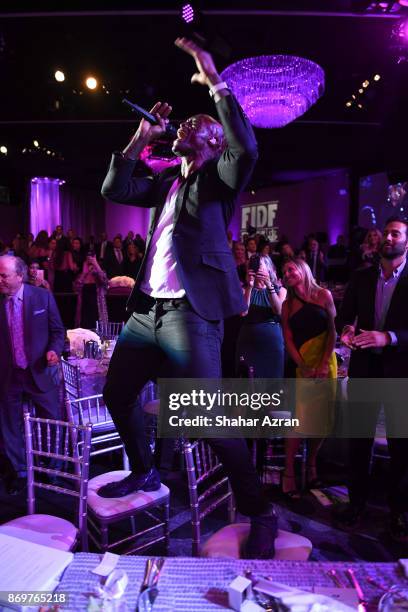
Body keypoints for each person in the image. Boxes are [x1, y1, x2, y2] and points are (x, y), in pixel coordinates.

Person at [99, 37, 277, 558]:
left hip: (188, 316)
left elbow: (248, 149)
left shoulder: (221, 179)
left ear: (211, 142)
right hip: (145, 313)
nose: (180, 127)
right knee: (117, 396)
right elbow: (115, 189)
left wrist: (214, 77)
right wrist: (139, 137)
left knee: (211, 424)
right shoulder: (167, 184)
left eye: (190, 126)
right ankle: (145, 469)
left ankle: (259, 510)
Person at [334, 217, 408, 542]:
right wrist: (347, 332)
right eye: (387, 233)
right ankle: (356, 505)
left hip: (399, 373)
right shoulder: (361, 277)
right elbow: (344, 319)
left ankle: (399, 515)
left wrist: (388, 337)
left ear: (407, 241)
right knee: (359, 443)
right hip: (364, 369)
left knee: (401, 448)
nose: (389, 238)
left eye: (397, 233)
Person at [0, 255, 64, 494]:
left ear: (20, 276)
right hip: (9, 375)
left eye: (4, 275)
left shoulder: (42, 297)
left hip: (39, 371)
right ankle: (19, 472)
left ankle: (53, 469)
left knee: (52, 421)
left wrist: (53, 350)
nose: (0, 280)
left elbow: (58, 331)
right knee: (9, 426)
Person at [281, 258, 337, 498]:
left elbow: (334, 330)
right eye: (284, 272)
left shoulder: (324, 295)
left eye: (290, 269)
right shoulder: (287, 305)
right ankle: (289, 472)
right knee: (299, 420)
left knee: (323, 419)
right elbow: (288, 339)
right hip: (302, 365)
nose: (286, 273)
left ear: (303, 270)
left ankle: (312, 464)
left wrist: (324, 363)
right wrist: (302, 365)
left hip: (326, 363)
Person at [237, 252, 286, 378]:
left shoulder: (281, 290)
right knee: (248, 381)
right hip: (248, 340)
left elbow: (278, 311)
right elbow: (243, 312)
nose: (255, 269)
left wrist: (269, 284)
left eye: (259, 265)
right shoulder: (243, 289)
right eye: (252, 266)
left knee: (272, 380)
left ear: (268, 268)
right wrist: (249, 286)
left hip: (271, 341)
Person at [73, 254, 109, 329]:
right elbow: (76, 288)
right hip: (84, 312)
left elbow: (105, 282)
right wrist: (84, 273)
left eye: (92, 259)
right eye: (88, 260)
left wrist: (96, 264)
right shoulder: (82, 276)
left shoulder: (99, 275)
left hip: (97, 312)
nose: (90, 262)